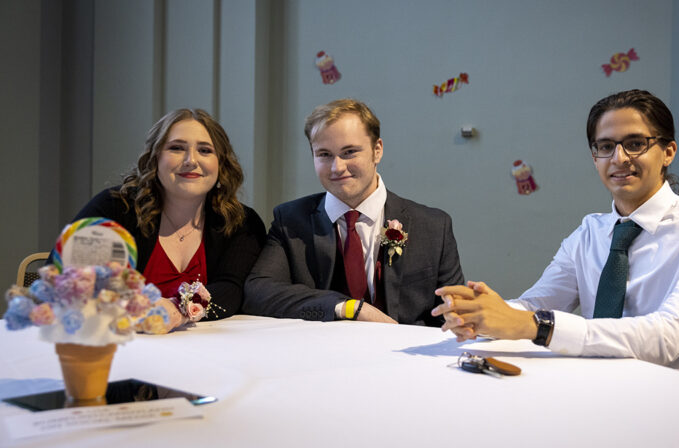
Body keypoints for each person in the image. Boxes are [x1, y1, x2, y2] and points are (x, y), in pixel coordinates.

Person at [433, 89, 679, 386]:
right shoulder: (590, 232)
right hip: (592, 391)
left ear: (668, 152)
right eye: (605, 146)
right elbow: (537, 304)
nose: (618, 158)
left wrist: (534, 324)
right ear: (594, 157)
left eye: (635, 143)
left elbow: (667, 336)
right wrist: (481, 314)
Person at [243, 99, 464, 325]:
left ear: (377, 151)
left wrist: (462, 320)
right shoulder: (290, 220)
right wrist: (347, 307)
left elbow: (454, 311)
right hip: (322, 355)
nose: (337, 167)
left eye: (349, 152)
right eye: (324, 155)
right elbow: (259, 292)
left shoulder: (433, 226)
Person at [68, 108, 267, 330]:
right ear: (155, 157)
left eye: (205, 150)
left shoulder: (240, 222)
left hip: (204, 350)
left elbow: (232, 291)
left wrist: (179, 309)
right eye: (176, 148)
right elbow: (65, 280)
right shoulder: (114, 208)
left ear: (221, 164)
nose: (191, 160)